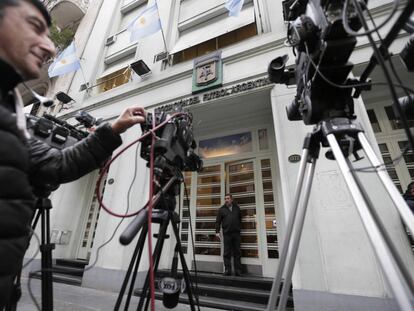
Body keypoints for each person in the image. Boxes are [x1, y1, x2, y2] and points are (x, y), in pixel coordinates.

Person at [0, 0, 147, 308]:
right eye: (35, 28)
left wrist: (115, 128)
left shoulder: (10, 116)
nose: (51, 49)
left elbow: (58, 165)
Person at [215, 194, 242, 276]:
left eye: (228, 198)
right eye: (225, 199)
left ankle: (238, 270)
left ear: (232, 199)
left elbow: (240, 218)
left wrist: (238, 227)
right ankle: (227, 270)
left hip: (236, 233)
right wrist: (217, 232)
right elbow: (218, 222)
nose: (226, 200)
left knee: (237, 252)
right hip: (227, 234)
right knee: (227, 252)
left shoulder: (237, 208)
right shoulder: (221, 210)